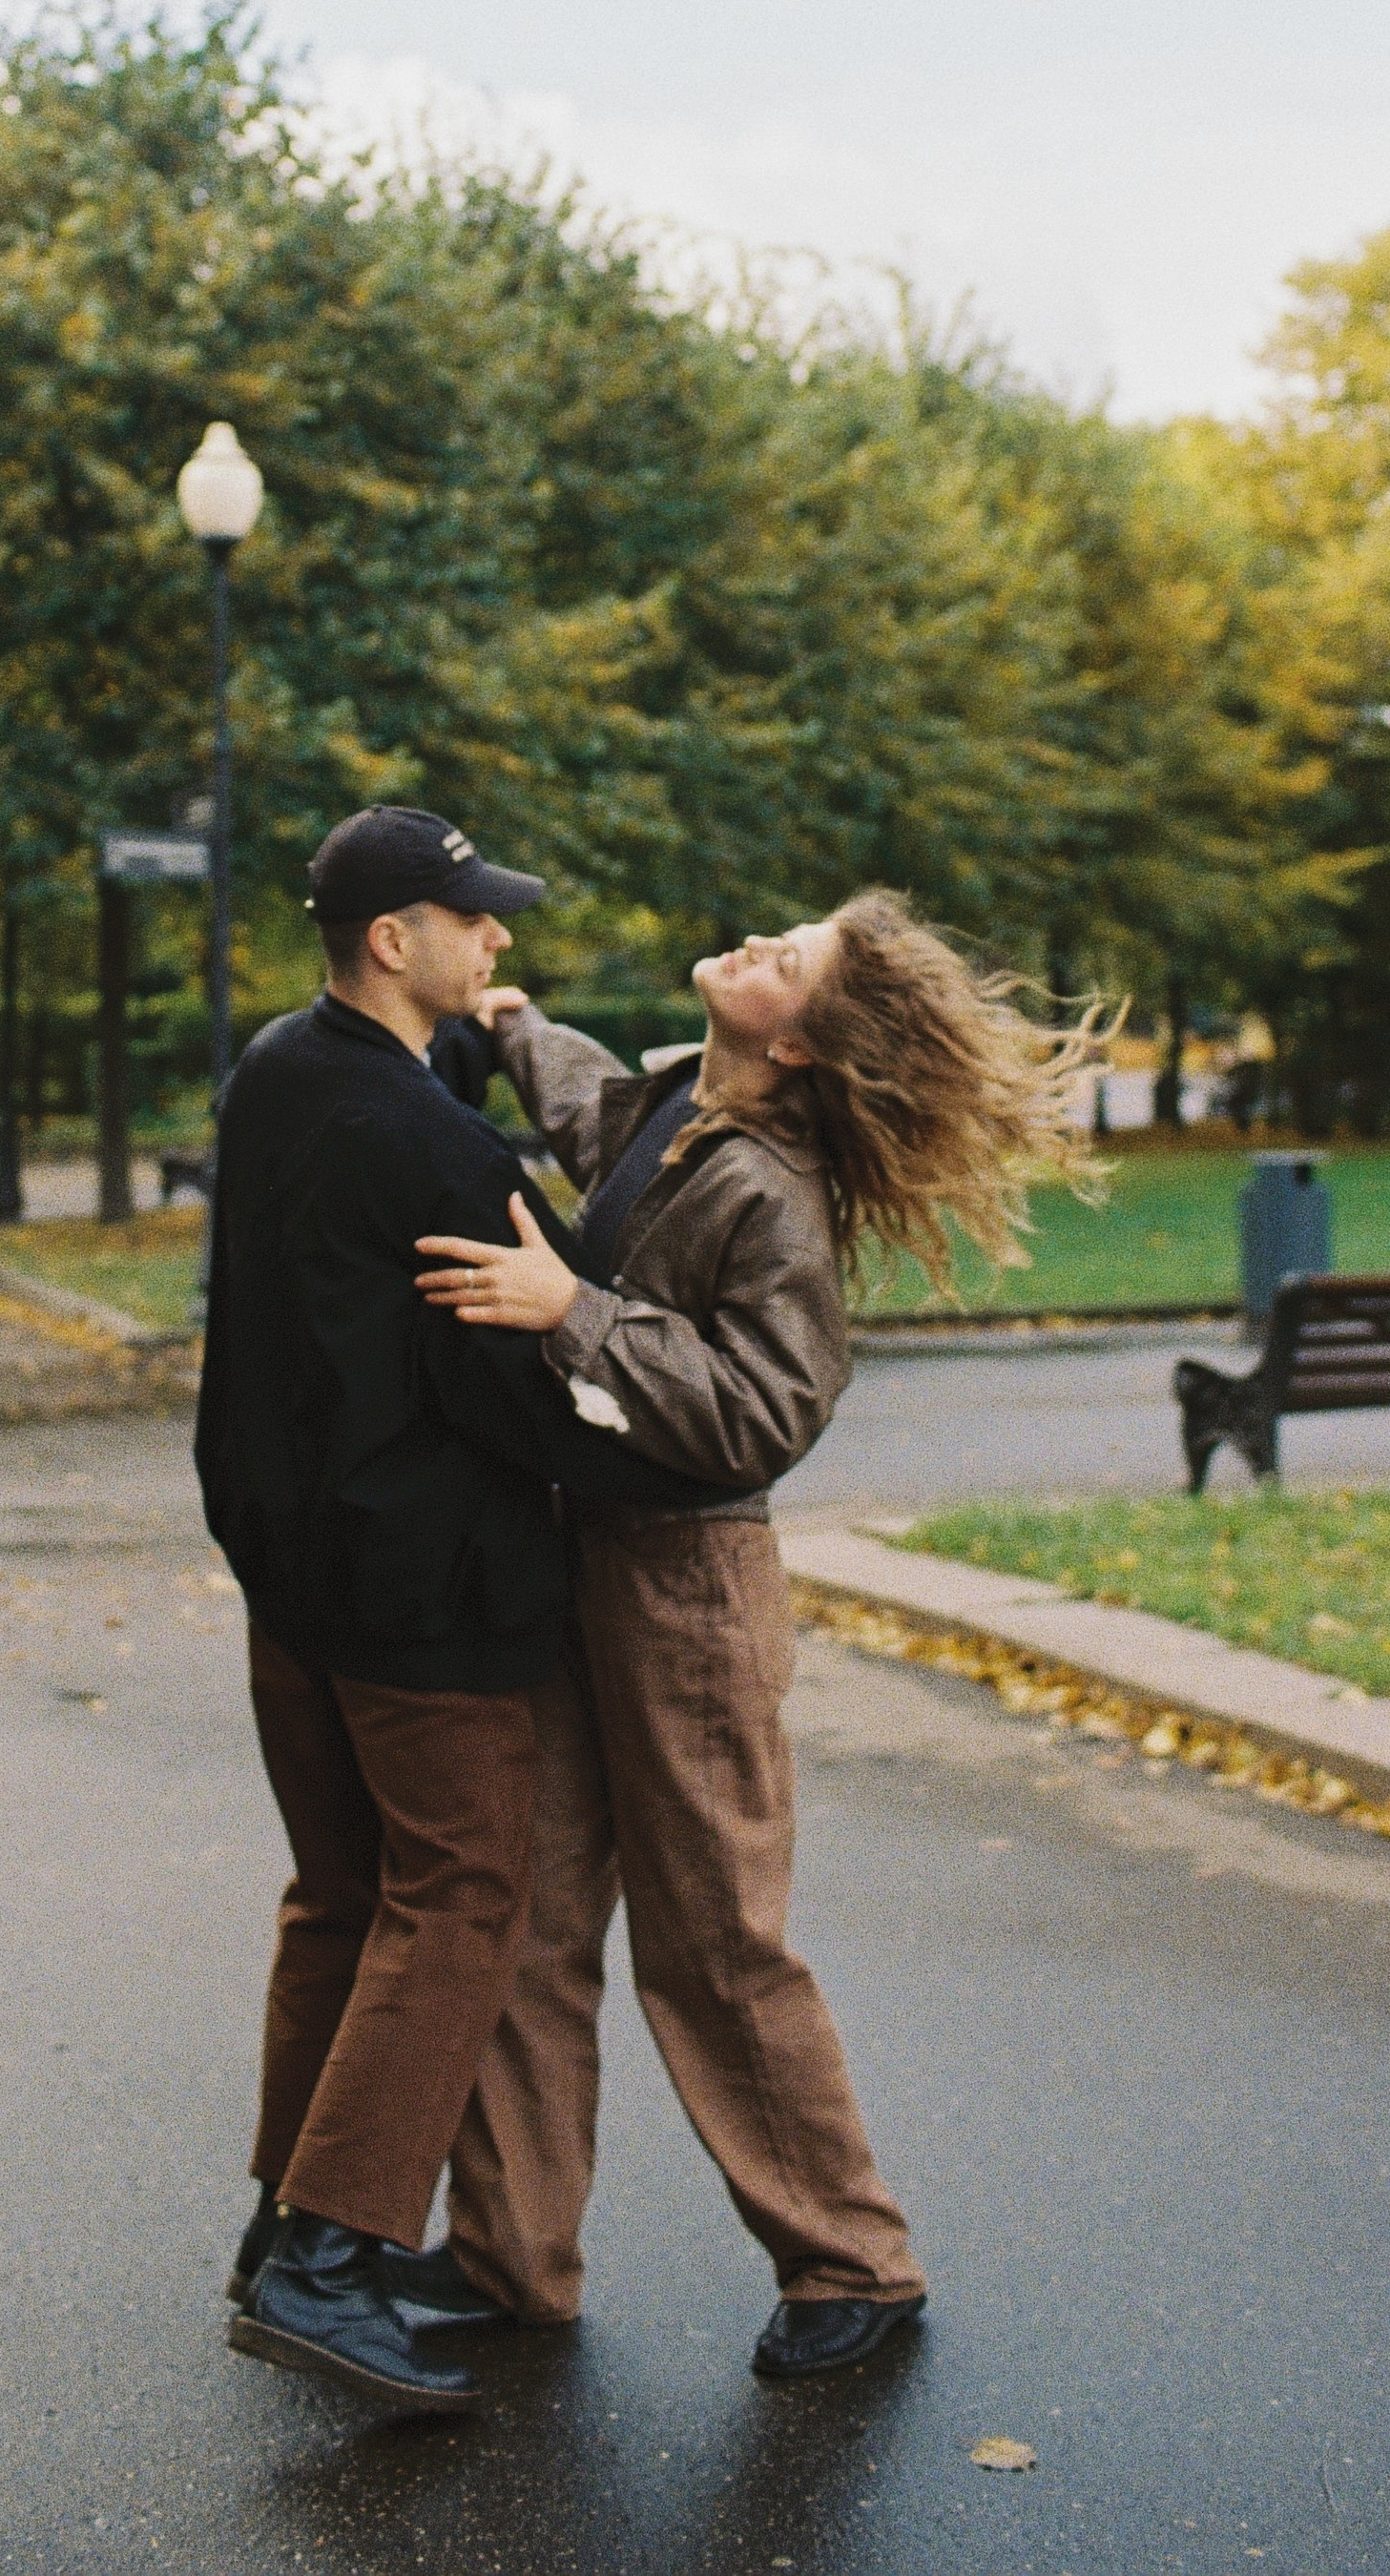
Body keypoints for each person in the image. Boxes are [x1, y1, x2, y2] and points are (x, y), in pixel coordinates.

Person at [413, 889, 1098, 2383]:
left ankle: (851, 2260)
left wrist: (568, 1310)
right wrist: (518, 1027)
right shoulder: (681, 1108)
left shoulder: (774, 1192)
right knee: (529, 1920)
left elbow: (763, 1414)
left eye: (785, 961)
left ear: (796, 1043)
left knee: (713, 1940)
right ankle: (508, 2257)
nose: (754, 948)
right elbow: (595, 1118)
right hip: (575, 1561)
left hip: (685, 1594)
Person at [197, 804, 731, 2419]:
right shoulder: (426, 1143)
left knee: (342, 1893)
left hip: (290, 1578)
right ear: (391, 940)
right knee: (462, 1890)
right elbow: (519, 1368)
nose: (495, 940)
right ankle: (332, 2252)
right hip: (421, 1591)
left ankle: (281, 2223)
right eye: (471, 919)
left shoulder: (279, 1073)